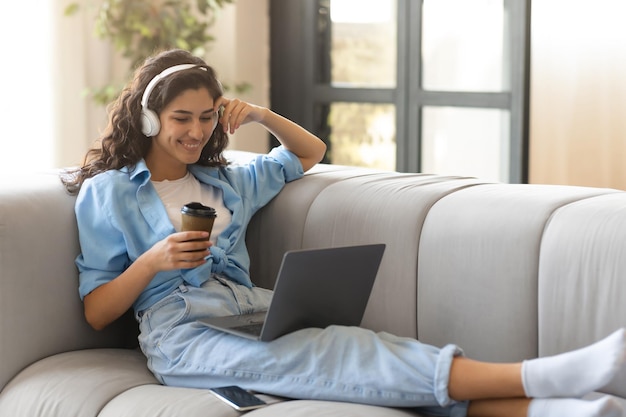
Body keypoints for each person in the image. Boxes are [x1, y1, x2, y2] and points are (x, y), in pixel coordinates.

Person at [62, 48, 626, 417]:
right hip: (181, 334)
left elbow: (309, 152)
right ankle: (545, 375)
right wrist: (155, 260)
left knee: (366, 348)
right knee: (336, 355)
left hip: (253, 310)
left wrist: (257, 114)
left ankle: (553, 410)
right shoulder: (109, 192)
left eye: (207, 116)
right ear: (148, 117)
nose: (195, 130)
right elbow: (97, 310)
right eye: (181, 118)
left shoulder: (226, 181)